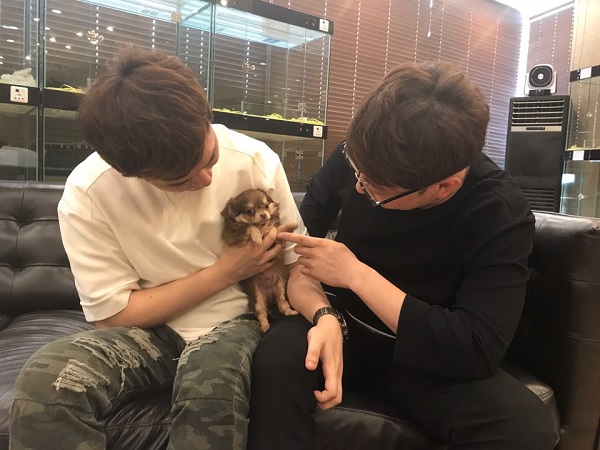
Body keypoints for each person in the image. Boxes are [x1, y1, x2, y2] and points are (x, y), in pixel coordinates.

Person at [9, 46, 333, 450]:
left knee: (210, 389)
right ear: (129, 173)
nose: (207, 180)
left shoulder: (254, 159)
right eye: (181, 181)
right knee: (44, 383)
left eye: (210, 158)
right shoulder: (89, 193)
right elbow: (114, 316)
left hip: (237, 322)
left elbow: (297, 263)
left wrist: (325, 316)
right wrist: (227, 270)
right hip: (148, 333)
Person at [247, 60, 557, 449]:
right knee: (276, 361)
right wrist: (324, 315)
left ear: (444, 187)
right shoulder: (362, 154)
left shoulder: (498, 211)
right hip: (337, 323)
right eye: (357, 171)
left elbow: (475, 349)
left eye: (375, 189)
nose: (358, 187)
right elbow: (298, 253)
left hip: (422, 354)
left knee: (524, 428)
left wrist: (356, 274)